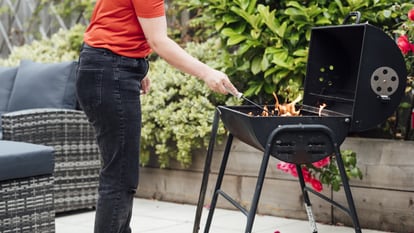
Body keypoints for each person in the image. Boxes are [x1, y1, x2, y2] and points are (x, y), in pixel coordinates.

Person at [75, 1, 239, 233]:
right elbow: (158, 41)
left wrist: (137, 65)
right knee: (120, 176)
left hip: (102, 67)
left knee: (119, 173)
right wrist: (207, 72)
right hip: (110, 72)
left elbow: (112, 20)